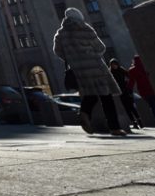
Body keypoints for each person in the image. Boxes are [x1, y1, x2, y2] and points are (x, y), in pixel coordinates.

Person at [52, 8, 125, 136]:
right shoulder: (85, 28)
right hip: (95, 66)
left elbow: (57, 51)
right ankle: (115, 128)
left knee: (90, 95)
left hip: (79, 70)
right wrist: (90, 54)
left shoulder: (60, 33)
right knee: (106, 98)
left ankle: (85, 112)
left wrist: (72, 58)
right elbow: (100, 47)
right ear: (79, 17)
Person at [127, 54, 155, 129]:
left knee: (153, 107)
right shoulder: (147, 66)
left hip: (144, 92)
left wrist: (129, 91)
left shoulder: (132, 70)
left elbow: (131, 82)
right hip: (153, 89)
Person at [108, 58, 141, 130]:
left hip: (126, 90)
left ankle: (139, 120)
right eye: (112, 65)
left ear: (117, 64)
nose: (114, 66)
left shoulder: (121, 69)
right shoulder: (110, 72)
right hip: (118, 92)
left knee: (131, 106)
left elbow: (130, 76)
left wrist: (127, 84)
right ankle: (134, 122)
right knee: (126, 108)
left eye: (115, 64)